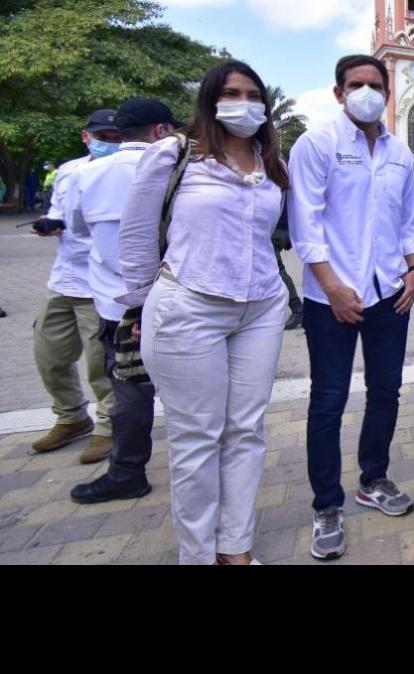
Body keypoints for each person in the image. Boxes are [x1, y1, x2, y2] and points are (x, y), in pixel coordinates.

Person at [117, 61, 290, 565]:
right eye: (232, 93)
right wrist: (140, 304)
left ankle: (235, 549)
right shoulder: (173, 155)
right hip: (189, 305)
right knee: (197, 439)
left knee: (246, 432)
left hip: (258, 308)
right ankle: (196, 555)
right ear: (211, 101)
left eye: (254, 94)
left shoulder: (272, 163)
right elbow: (135, 236)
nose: (245, 103)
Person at [289, 55, 414, 560]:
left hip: (390, 290)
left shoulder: (399, 153)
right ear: (339, 91)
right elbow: (307, 224)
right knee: (328, 400)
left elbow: (409, 219)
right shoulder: (317, 144)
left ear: (387, 93)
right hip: (331, 299)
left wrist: (413, 271)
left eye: (374, 85)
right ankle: (327, 504)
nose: (366, 92)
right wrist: (332, 286)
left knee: (385, 390)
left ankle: (375, 478)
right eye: (356, 84)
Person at [65, 98, 184, 505]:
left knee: (131, 389)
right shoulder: (179, 169)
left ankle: (128, 470)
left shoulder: (85, 174)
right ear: (160, 131)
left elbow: (76, 230)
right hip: (177, 299)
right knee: (191, 388)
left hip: (117, 304)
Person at [28, 109, 121, 465]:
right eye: (103, 138)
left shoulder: (122, 172)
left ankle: (109, 426)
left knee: (101, 363)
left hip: (99, 283)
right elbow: (61, 213)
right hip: (62, 278)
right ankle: (70, 416)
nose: (109, 144)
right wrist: (49, 224)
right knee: (49, 355)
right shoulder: (67, 171)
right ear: (87, 137)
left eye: (116, 138)